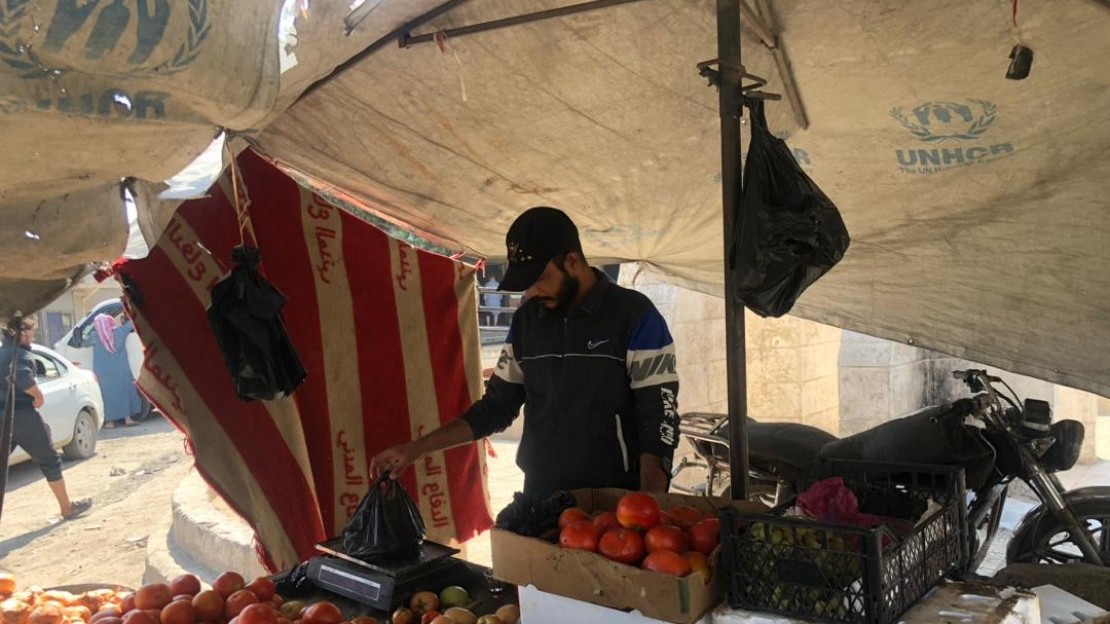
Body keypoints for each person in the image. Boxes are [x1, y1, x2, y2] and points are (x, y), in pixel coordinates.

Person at [372, 206, 680, 498]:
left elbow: (658, 418)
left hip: (615, 502)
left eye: (538, 279)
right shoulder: (526, 322)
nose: (530, 292)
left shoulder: (635, 315)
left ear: (572, 261)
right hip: (541, 497)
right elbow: (496, 407)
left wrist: (650, 506)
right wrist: (417, 449)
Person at [1, 319, 93, 520]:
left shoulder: (2, 352)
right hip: (23, 415)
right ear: (22, 333)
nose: (34, 335)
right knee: (50, 460)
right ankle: (67, 508)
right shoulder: (21, 353)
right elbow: (21, 378)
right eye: (32, 331)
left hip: (3, 416)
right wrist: (38, 396)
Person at [92, 313, 141, 428]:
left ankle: (109, 422)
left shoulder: (94, 336)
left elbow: (81, 340)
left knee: (108, 397)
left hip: (103, 373)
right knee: (123, 394)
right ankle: (127, 419)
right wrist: (126, 317)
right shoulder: (119, 333)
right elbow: (131, 324)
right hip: (120, 371)